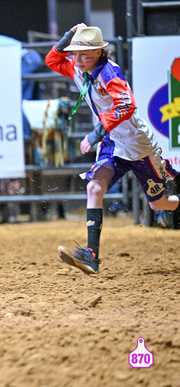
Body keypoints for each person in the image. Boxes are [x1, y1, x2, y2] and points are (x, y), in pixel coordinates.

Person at [47, 24, 180, 274]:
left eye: (84, 54)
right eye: (75, 53)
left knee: (159, 204)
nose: (77, 59)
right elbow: (52, 59)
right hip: (112, 141)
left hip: (138, 145)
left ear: (98, 52)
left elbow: (126, 105)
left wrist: (96, 132)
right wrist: (69, 34)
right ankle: (91, 255)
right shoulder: (78, 67)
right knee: (94, 186)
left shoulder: (110, 72)